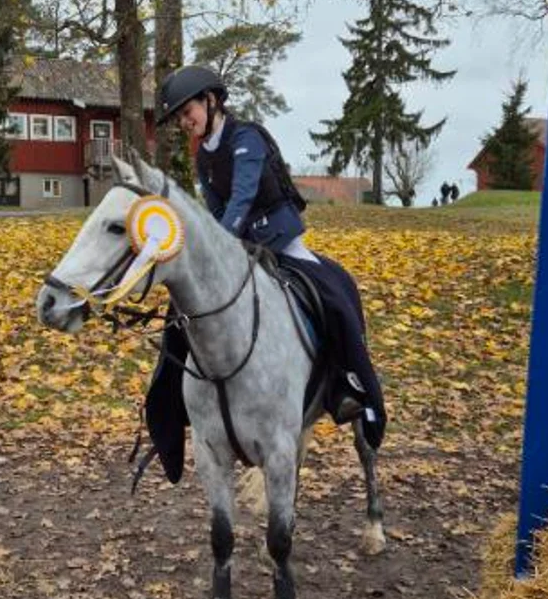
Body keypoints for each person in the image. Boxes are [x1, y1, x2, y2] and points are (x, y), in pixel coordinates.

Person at [154, 64, 386, 449]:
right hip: (241, 251)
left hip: (280, 243)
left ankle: (352, 388)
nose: (184, 121)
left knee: (334, 299)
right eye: (178, 117)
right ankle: (173, 406)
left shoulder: (247, 139)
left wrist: (218, 247)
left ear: (210, 101)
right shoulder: (203, 159)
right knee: (180, 312)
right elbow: (215, 213)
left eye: (187, 111)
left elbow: (242, 198)